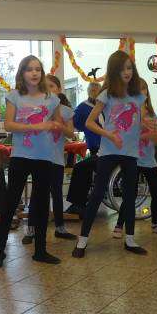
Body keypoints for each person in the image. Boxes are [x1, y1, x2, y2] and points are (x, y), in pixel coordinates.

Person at [0, 55, 63, 268]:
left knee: (41, 204)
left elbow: (58, 123)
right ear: (22, 73)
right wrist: (36, 126)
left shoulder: (52, 99)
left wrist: (56, 126)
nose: (34, 73)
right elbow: (9, 125)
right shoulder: (14, 96)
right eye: (29, 69)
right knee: (10, 202)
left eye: (38, 69)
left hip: (44, 156)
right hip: (21, 156)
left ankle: (41, 250)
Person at [73, 50, 147, 258]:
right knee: (97, 193)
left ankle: (130, 239)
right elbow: (89, 123)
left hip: (130, 152)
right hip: (109, 150)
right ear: (114, 71)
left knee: (130, 194)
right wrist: (109, 135)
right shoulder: (106, 94)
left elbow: (137, 122)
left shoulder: (138, 96)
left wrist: (146, 127)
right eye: (122, 69)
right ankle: (82, 240)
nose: (127, 72)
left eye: (129, 68)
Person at [115, 78, 157, 237]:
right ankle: (119, 225)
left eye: (143, 89)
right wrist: (147, 134)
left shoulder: (152, 113)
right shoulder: (128, 112)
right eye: (137, 89)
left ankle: (155, 224)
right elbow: (127, 135)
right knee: (130, 193)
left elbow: (153, 136)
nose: (141, 92)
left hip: (148, 159)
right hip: (132, 159)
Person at [40, 74, 76, 240]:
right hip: (39, 158)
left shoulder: (66, 111)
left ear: (59, 90)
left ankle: (60, 227)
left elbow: (71, 133)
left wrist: (60, 125)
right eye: (45, 87)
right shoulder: (39, 108)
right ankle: (32, 229)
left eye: (52, 86)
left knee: (56, 192)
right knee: (39, 194)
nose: (48, 90)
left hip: (56, 158)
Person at [64, 81, 102, 216]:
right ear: (88, 92)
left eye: (97, 90)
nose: (95, 93)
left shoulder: (105, 105)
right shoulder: (83, 106)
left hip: (108, 147)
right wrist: (86, 128)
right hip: (96, 145)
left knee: (83, 167)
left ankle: (78, 204)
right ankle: (79, 203)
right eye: (92, 90)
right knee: (84, 167)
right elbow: (75, 122)